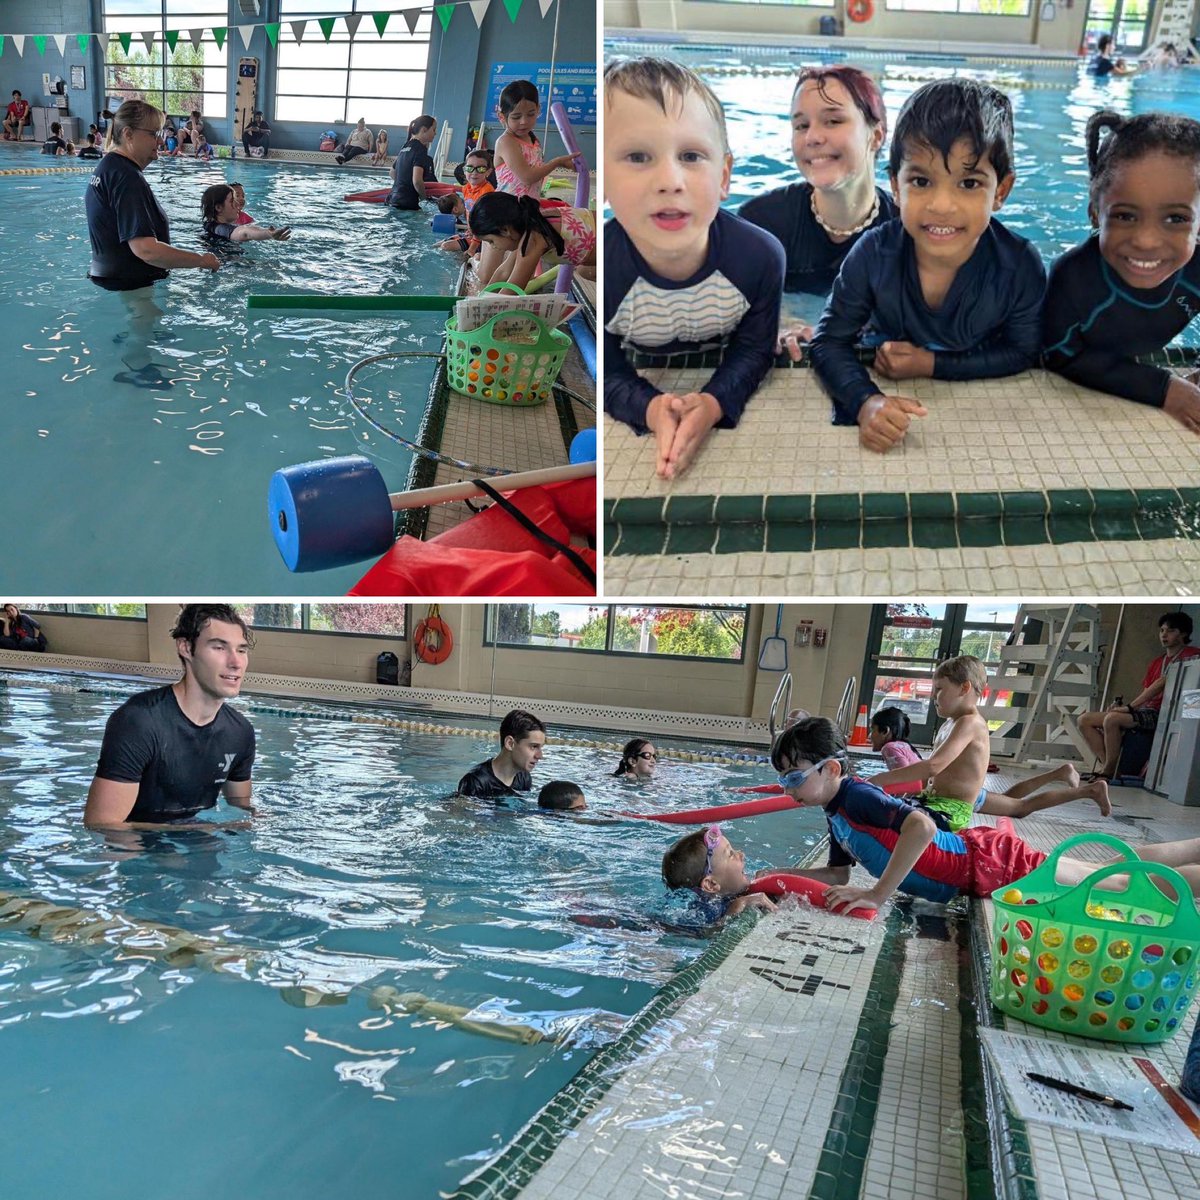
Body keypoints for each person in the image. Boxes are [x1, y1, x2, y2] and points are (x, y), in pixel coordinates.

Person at [809, 78, 1046, 453]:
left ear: (1000, 191)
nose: (942, 206)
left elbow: (1023, 352)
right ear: (896, 187)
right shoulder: (873, 255)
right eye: (921, 181)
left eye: (969, 184)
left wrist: (933, 365)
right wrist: (866, 400)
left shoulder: (1018, 266)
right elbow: (827, 344)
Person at [771, 716, 1200, 915]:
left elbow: (920, 826)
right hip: (982, 863)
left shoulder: (857, 796)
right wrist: (775, 875)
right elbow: (838, 877)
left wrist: (880, 894)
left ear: (830, 769)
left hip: (989, 863)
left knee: (1117, 884)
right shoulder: (836, 811)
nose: (786, 789)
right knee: (1104, 871)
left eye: (792, 778)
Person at [604, 56, 785, 482]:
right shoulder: (606, 270)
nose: (670, 179)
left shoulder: (759, 258)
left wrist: (714, 402)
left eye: (690, 155)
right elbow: (608, 372)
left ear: (724, 176)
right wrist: (649, 407)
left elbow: (755, 349)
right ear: (605, 183)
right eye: (637, 156)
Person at [1042, 111, 1200, 434]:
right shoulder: (1071, 279)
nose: (1145, 241)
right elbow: (1057, 355)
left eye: (1175, 219)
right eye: (1126, 217)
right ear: (1095, 213)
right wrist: (1164, 389)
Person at [739, 65, 898, 355]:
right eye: (801, 126)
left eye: (833, 121)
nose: (812, 137)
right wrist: (781, 321)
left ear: (875, 136)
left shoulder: (904, 229)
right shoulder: (761, 223)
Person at [869, 656, 1112, 832]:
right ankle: (1063, 775)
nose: (934, 696)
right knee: (1016, 804)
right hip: (952, 794)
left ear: (964, 688)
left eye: (940, 689)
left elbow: (933, 766)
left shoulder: (970, 723)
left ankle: (1088, 790)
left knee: (1021, 806)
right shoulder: (949, 723)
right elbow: (930, 776)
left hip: (955, 804)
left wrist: (877, 782)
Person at [82, 604, 257, 831]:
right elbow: (101, 825)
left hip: (202, 847)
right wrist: (190, 832)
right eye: (219, 648)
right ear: (185, 647)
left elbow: (240, 810)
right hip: (141, 852)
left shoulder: (240, 731)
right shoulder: (138, 721)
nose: (235, 662)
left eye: (241, 650)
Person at [84, 100, 220, 387]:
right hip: (127, 275)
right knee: (146, 313)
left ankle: (132, 335)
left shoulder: (109, 166)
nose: (160, 140)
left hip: (113, 270)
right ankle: (136, 367)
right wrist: (201, 260)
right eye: (153, 134)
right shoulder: (126, 177)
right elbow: (145, 249)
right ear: (129, 134)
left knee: (143, 313)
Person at [1077, 612, 1200, 781]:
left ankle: (1107, 771)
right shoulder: (1157, 662)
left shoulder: (1193, 655)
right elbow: (1146, 692)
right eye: (1162, 630)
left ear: (1184, 633)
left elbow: (1160, 684)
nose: (1164, 635)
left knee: (1112, 719)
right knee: (1085, 720)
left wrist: (1129, 708)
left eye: (1170, 631)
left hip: (1169, 713)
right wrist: (1125, 710)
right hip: (1146, 712)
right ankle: (1109, 767)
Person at [469, 192, 596, 289]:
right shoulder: (530, 224)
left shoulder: (533, 239)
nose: (493, 247)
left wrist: (484, 309)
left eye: (491, 241)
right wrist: (482, 297)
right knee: (584, 271)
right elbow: (503, 272)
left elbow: (514, 289)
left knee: (587, 271)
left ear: (505, 230)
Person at [661, 825, 779, 920]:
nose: (742, 854)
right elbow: (709, 934)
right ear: (711, 885)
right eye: (730, 854)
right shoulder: (702, 912)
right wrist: (738, 905)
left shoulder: (724, 893)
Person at [492, 80, 577, 199]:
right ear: (501, 116)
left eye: (531, 114)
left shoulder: (533, 139)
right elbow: (527, 177)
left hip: (529, 207)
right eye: (516, 117)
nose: (524, 121)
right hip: (508, 209)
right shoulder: (506, 142)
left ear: (538, 109)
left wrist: (562, 163)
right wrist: (557, 162)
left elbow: (536, 172)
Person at [456, 709, 545, 801]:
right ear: (510, 744)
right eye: (533, 746)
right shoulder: (476, 782)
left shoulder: (524, 778)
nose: (540, 755)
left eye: (540, 747)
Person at [200, 183, 291, 244]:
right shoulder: (218, 228)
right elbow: (245, 231)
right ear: (219, 208)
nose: (237, 204)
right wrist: (268, 233)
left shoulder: (209, 225)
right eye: (232, 201)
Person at [387, 115, 439, 210]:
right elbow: (417, 181)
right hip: (408, 203)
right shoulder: (420, 149)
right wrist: (423, 197)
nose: (435, 133)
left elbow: (392, 173)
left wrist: (403, 186)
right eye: (434, 129)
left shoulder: (405, 146)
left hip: (393, 199)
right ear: (424, 129)